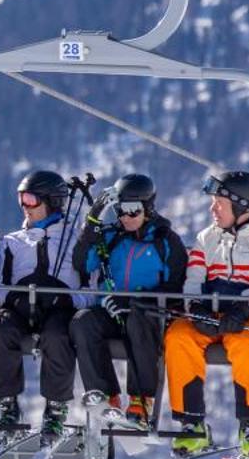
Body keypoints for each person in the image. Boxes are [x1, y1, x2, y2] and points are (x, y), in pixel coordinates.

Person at [163, 171, 249, 459]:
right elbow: (194, 278)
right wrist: (195, 308)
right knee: (179, 337)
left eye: (219, 204)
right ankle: (191, 422)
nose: (213, 210)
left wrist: (244, 309)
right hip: (209, 311)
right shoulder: (207, 238)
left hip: (248, 314)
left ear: (241, 207)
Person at [71, 174, 186, 430]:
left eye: (134, 211)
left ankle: (141, 399)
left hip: (148, 314)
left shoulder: (166, 242)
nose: (126, 217)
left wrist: (137, 300)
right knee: (83, 322)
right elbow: (82, 263)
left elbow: (177, 287)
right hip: (111, 311)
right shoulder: (112, 237)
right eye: (120, 210)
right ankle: (104, 395)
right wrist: (93, 220)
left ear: (148, 209)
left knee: (138, 318)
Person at [0, 170, 83, 438]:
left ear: (51, 201)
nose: (24, 206)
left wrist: (68, 299)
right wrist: (11, 298)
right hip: (19, 307)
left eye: (30, 199)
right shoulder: (12, 242)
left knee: (58, 335)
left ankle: (55, 409)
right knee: (0, 330)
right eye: (21, 199)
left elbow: (92, 287)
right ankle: (8, 406)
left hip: (59, 309)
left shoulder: (75, 240)